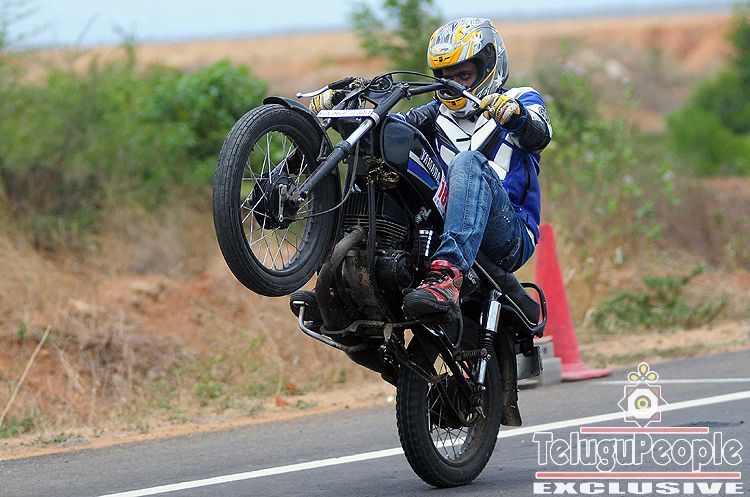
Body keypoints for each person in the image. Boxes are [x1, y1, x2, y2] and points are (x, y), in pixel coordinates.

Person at [311, 17, 552, 322]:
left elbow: (540, 133)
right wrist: (343, 106)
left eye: (464, 75)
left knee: (467, 162)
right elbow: (390, 131)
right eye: (446, 77)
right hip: (443, 222)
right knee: (375, 157)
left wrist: (517, 117)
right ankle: (337, 275)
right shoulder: (433, 115)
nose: (454, 85)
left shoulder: (519, 99)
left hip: (509, 232)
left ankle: (447, 276)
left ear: (489, 65)